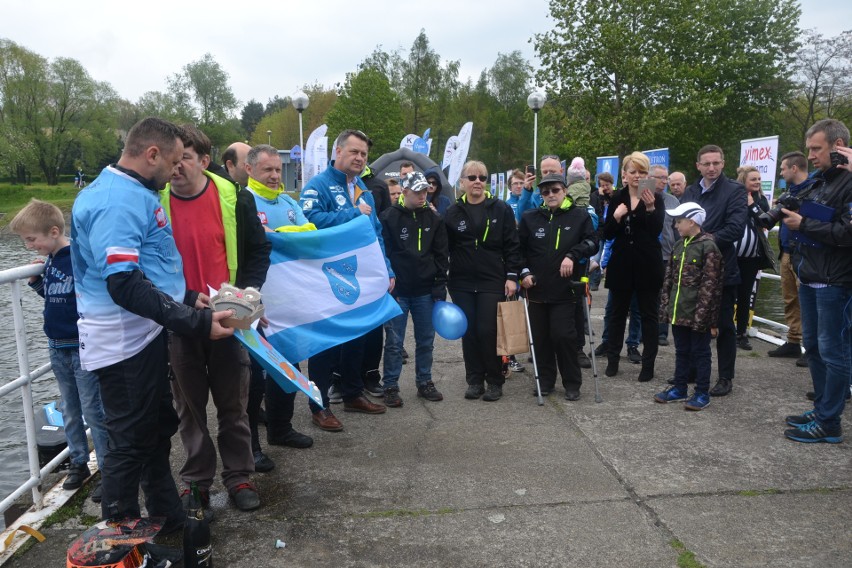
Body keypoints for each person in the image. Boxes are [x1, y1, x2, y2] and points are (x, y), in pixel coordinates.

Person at [71, 117, 235, 530]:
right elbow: (123, 284)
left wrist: (182, 296)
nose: (176, 170)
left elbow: (147, 265)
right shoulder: (116, 201)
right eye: (174, 160)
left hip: (145, 334)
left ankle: (168, 518)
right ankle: (121, 536)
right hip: (123, 342)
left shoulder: (135, 191)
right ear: (152, 155)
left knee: (157, 429)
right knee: (128, 444)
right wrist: (195, 322)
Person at [160, 124, 270, 512]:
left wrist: (247, 295)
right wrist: (187, 301)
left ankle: (239, 477)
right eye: (171, 159)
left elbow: (259, 251)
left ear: (204, 161)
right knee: (188, 408)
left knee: (233, 405)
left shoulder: (234, 198)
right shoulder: (154, 202)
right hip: (180, 319)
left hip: (229, 319)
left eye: (184, 158)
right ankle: (196, 482)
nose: (175, 167)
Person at [10, 200, 110, 499]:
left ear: (54, 232)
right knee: (69, 408)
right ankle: (79, 462)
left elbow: (81, 298)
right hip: (57, 347)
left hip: (81, 347)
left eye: (32, 239)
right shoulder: (51, 260)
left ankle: (108, 468)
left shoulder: (77, 258)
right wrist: (35, 282)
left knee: (93, 410)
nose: (29, 246)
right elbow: (55, 298)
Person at [300, 129, 394, 426]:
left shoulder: (363, 189)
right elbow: (310, 222)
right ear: (337, 152)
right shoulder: (319, 185)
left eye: (363, 154)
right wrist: (351, 214)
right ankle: (319, 406)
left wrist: (387, 270)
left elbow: (376, 234)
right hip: (326, 278)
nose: (359, 157)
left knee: (358, 337)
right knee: (325, 344)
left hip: (360, 278)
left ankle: (353, 393)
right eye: (354, 151)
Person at [243, 144, 314, 473]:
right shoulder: (244, 203)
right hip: (255, 299)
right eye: (267, 170)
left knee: (290, 363)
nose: (274, 176)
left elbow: (309, 233)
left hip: (288, 299)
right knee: (254, 372)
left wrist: (278, 233)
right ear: (250, 170)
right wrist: (280, 235)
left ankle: (280, 428)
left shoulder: (288, 203)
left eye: (277, 170)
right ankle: (250, 446)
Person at [782, 119, 852, 444]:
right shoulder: (820, 181)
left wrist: (804, 224)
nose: (810, 155)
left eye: (816, 149)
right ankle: (824, 408)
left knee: (833, 350)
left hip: (835, 282)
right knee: (813, 347)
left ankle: (830, 422)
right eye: (809, 148)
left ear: (838, 148)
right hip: (810, 276)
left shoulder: (849, 183)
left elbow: (847, 233)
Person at [445, 160, 522, 401]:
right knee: (469, 332)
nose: (477, 181)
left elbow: (512, 245)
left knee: (487, 330)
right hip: (462, 281)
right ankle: (475, 379)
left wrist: (512, 276)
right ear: (462, 183)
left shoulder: (500, 209)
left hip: (492, 279)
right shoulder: (452, 212)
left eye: (482, 177)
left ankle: (495, 380)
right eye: (472, 177)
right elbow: (443, 248)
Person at [519, 173, 597, 400]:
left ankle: (572, 383)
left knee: (563, 337)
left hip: (565, 290)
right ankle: (545, 380)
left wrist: (573, 255)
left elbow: (592, 243)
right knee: (541, 339)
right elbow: (518, 250)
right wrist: (524, 272)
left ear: (564, 190)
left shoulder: (579, 216)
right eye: (545, 191)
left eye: (555, 190)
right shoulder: (530, 217)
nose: (550, 195)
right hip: (536, 290)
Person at [379, 171, 449, 407]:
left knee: (426, 340)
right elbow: (384, 254)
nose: (422, 196)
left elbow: (441, 255)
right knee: (394, 343)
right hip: (398, 291)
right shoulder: (388, 217)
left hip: (425, 291)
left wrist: (439, 287)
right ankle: (390, 385)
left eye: (425, 191)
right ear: (405, 191)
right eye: (417, 191)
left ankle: (424, 381)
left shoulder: (435, 219)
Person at [682, 145, 747, 397]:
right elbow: (682, 224)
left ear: (723, 163)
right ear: (698, 165)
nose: (711, 168)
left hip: (722, 268)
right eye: (706, 164)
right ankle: (694, 370)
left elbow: (735, 229)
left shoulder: (735, 190)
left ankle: (725, 377)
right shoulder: (690, 191)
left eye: (716, 163)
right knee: (691, 322)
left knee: (723, 326)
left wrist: (701, 243)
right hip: (693, 270)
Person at [602, 152, 665, 382]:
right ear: (624, 175)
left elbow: (655, 231)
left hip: (648, 263)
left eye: (642, 172)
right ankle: (612, 360)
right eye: (633, 171)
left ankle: (648, 365)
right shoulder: (617, 197)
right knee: (617, 314)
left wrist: (649, 209)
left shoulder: (655, 198)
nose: (638, 176)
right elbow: (606, 233)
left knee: (649, 315)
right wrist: (617, 217)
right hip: (622, 263)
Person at [654, 203, 723, 410]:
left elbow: (712, 286)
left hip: (698, 313)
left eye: (679, 221)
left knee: (701, 352)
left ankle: (702, 392)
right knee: (682, 350)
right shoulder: (678, 245)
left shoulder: (708, 247)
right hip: (678, 311)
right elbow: (668, 280)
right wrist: (665, 306)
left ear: (691, 222)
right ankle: (679, 388)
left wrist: (704, 315)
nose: (675, 225)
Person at [770, 151, 812, 366]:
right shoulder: (790, 191)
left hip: (805, 253)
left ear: (794, 168)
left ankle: (812, 347)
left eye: (783, 168)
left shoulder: (814, 188)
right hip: (786, 252)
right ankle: (793, 341)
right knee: (789, 299)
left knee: (808, 301)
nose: (781, 172)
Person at [733, 165, 774, 351]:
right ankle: (720, 329)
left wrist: (751, 205)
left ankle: (741, 334)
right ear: (744, 181)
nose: (757, 182)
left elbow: (766, 221)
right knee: (726, 294)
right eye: (753, 179)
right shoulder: (733, 198)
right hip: (731, 257)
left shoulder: (762, 201)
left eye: (759, 179)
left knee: (744, 296)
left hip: (751, 258)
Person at [650, 164, 680, 347]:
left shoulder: (672, 201)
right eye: (660, 177)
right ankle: (643, 332)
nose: (664, 181)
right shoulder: (640, 197)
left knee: (664, 295)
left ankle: (661, 332)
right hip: (646, 253)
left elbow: (677, 229)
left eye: (666, 178)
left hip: (667, 254)